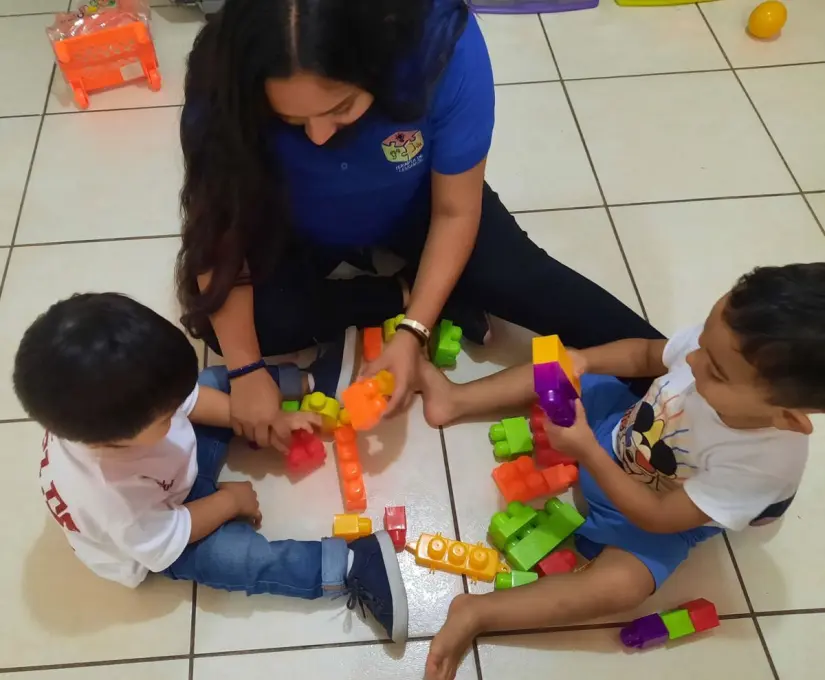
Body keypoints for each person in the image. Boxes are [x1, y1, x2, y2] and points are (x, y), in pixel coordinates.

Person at [175, 0, 662, 453]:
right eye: (290, 119)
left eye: (340, 108)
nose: (319, 137)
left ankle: (678, 373)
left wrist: (409, 336)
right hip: (286, 219)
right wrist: (245, 370)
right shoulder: (221, 81)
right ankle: (410, 293)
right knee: (231, 325)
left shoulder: (443, 50)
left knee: (521, 279)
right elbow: (220, 228)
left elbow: (455, 211)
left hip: (418, 203)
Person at [418, 264, 822, 679]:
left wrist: (586, 451)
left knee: (624, 586)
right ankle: (455, 399)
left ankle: (478, 613)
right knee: (557, 370)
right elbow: (646, 355)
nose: (694, 360)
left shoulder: (760, 464)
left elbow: (660, 518)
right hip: (618, 424)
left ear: (788, 417)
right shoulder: (719, 346)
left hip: (661, 507)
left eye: (715, 371)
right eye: (702, 342)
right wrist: (583, 360)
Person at [13, 293, 408, 644]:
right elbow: (168, 536)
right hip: (161, 536)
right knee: (237, 559)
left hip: (169, 477)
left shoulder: (118, 407)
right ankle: (353, 565)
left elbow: (192, 402)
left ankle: (307, 382)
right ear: (107, 442)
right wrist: (228, 501)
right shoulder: (108, 496)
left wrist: (266, 417)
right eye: (167, 417)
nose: (178, 410)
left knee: (217, 381)